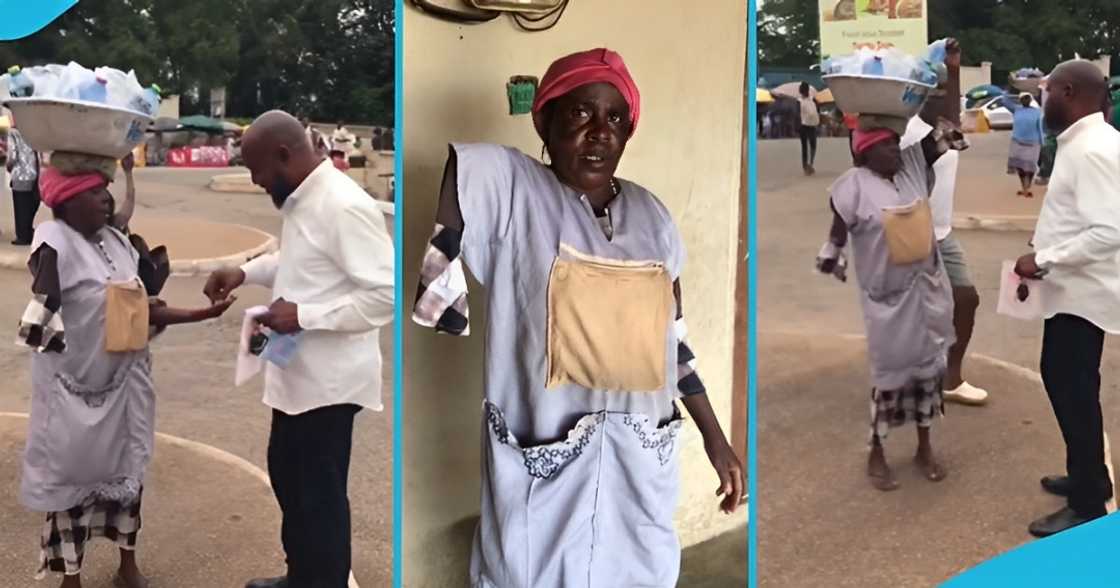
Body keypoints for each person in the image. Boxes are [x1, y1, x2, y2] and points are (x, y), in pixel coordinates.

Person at [411, 48, 744, 587]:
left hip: (637, 459)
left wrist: (714, 437)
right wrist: (442, 286)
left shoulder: (654, 216)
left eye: (615, 118)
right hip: (544, 456)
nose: (599, 132)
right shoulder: (515, 191)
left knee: (634, 571)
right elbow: (464, 166)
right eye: (580, 113)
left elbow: (672, 340)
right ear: (544, 120)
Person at [17, 164, 235, 588]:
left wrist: (200, 314)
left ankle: (127, 566)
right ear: (66, 200)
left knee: (127, 478)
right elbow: (42, 307)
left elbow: (143, 306)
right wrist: (45, 291)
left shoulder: (114, 241)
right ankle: (71, 579)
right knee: (72, 487)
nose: (106, 198)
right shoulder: (53, 241)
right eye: (94, 191)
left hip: (124, 385)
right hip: (74, 389)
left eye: (106, 190)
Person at [203, 110, 395, 588]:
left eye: (257, 170)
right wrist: (245, 272)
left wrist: (304, 315)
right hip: (296, 378)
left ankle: (322, 581)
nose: (255, 181)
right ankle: (302, 576)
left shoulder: (343, 205)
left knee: (319, 500)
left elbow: (385, 295)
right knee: (290, 482)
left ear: (284, 155)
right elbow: (301, 261)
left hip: (328, 387)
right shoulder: (303, 200)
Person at [815, 40, 966, 490]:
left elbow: (951, 127)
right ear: (864, 152)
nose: (897, 153)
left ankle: (924, 447)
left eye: (898, 146)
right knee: (890, 380)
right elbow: (837, 232)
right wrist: (831, 258)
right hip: (888, 303)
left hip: (928, 292)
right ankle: (877, 452)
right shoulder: (853, 186)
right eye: (887, 148)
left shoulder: (913, 167)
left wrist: (952, 71)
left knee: (928, 373)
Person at [1012, 60, 1120, 537]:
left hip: (1083, 295)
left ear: (1069, 91)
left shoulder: (1093, 149)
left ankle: (1089, 503)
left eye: (1047, 89)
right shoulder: (1084, 143)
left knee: (1073, 391)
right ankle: (1085, 477)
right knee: (1069, 386)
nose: (1042, 97)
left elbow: (1109, 230)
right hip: (1071, 293)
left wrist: (1044, 259)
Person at [901, 41, 987, 406]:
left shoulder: (947, 131)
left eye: (944, 93)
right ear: (918, 96)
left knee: (966, 299)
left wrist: (953, 69)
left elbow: (952, 112)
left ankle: (951, 377)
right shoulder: (907, 134)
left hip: (943, 233)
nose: (943, 98)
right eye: (932, 91)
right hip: (909, 231)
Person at [1005, 92, 1045, 197]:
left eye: (1026, 99)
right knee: (1021, 167)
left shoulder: (1035, 112)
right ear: (1021, 101)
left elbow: (1040, 128)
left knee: (1029, 167)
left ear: (1030, 101)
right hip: (1020, 142)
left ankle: (1026, 188)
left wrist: (1042, 143)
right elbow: (1004, 101)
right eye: (1023, 99)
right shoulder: (1018, 110)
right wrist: (1007, 91)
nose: (1025, 101)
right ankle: (1025, 188)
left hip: (1031, 143)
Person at [8, 124, 41, 245]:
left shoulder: (13, 132)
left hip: (19, 174)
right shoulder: (34, 131)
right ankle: (28, 232)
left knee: (20, 206)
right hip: (34, 173)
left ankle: (22, 236)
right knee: (29, 205)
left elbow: (12, 155)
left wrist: (8, 166)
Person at [798, 82, 820, 175]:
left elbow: (797, 114)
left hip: (804, 125)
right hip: (810, 125)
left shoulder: (799, 101)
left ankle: (807, 165)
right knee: (812, 145)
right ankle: (809, 165)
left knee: (806, 147)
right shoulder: (812, 100)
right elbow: (818, 110)